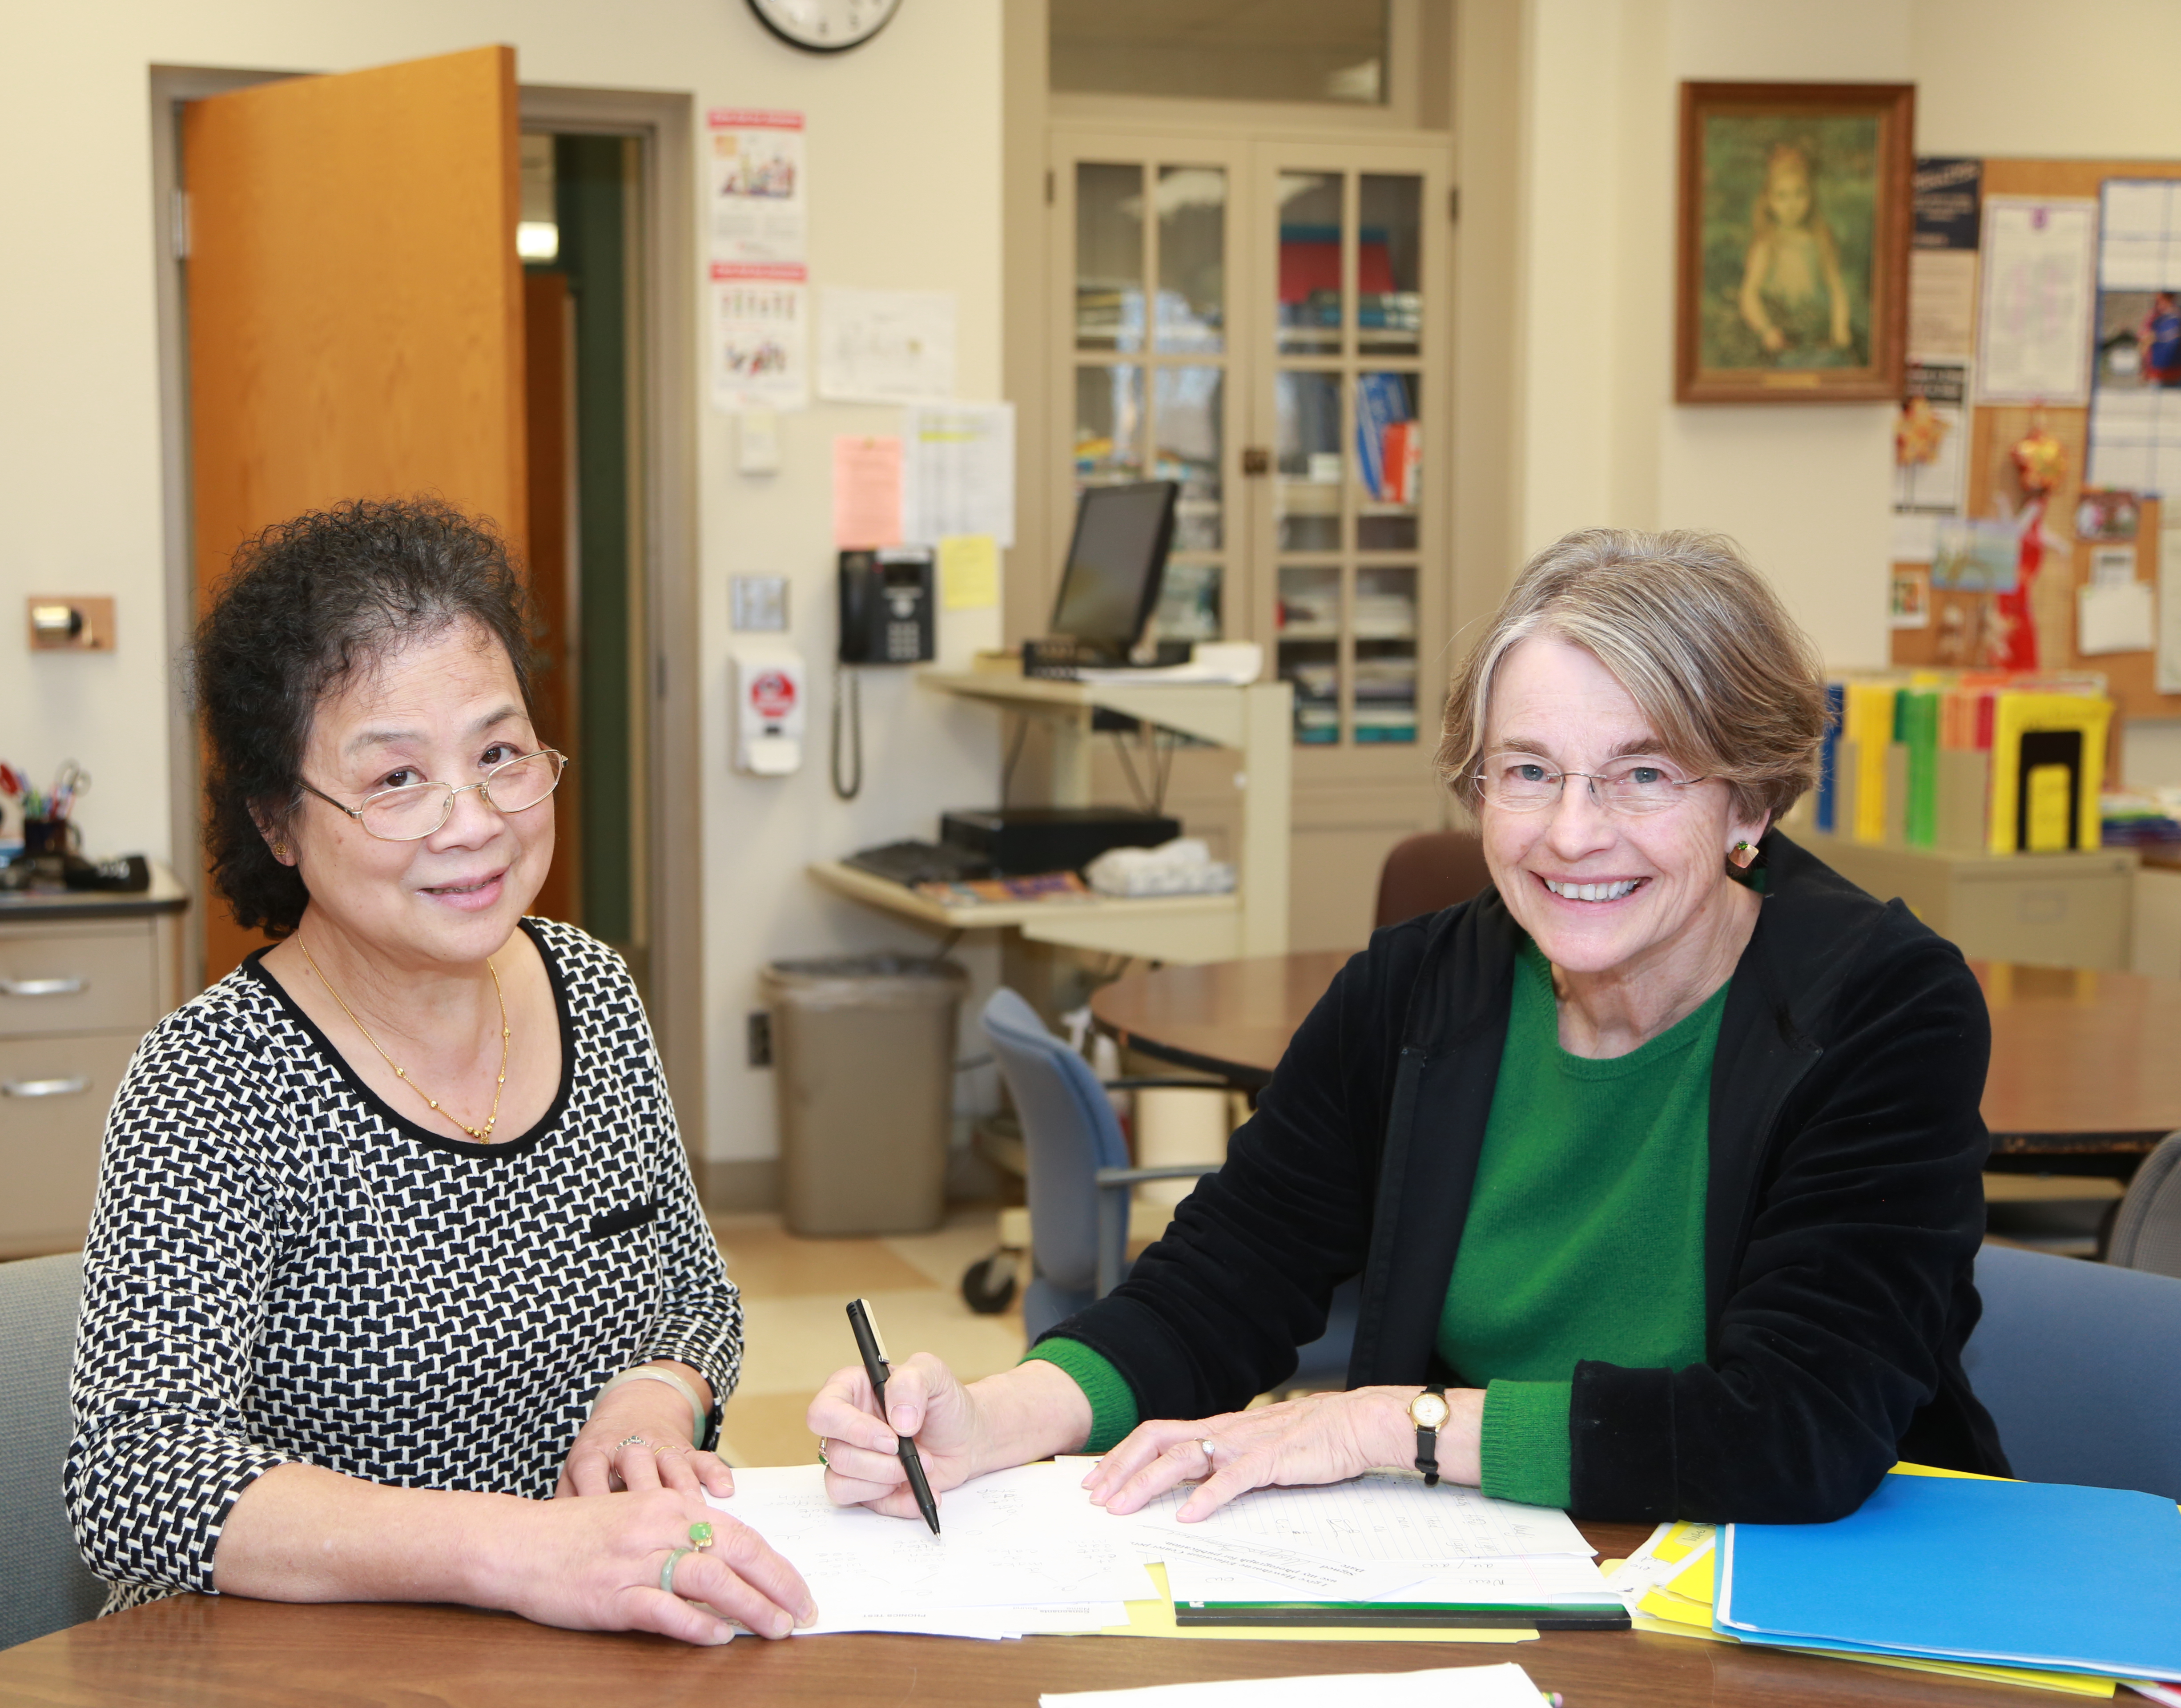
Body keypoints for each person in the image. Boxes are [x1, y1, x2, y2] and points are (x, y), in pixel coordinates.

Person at [813, 528, 2005, 1529]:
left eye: (1644, 776)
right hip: (1494, 1571)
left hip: (1807, 1601)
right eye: (1527, 772)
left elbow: (1797, 1430)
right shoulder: (1418, 991)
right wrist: (989, 1418)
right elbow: (1219, 1286)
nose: (1572, 834)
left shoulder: (1886, 1011)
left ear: (1748, 798)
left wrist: (1390, 1422)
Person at [64, 499, 813, 1646]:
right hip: (304, 1659)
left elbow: (693, 1295)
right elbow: (133, 1477)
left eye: (499, 754)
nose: (471, 823)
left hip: (576, 1636)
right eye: (396, 779)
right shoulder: (208, 1080)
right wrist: (513, 1549)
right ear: (277, 821)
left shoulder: (593, 991)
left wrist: (653, 1394)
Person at [1735, 141, 1852, 366]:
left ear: (1811, 197)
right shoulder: (1768, 243)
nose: (1792, 205)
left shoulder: (1820, 239)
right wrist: (1766, 330)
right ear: (1769, 201)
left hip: (1817, 333)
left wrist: (1840, 326)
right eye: (1782, 196)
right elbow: (1749, 294)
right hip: (1782, 334)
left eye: (1800, 194)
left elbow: (1836, 287)